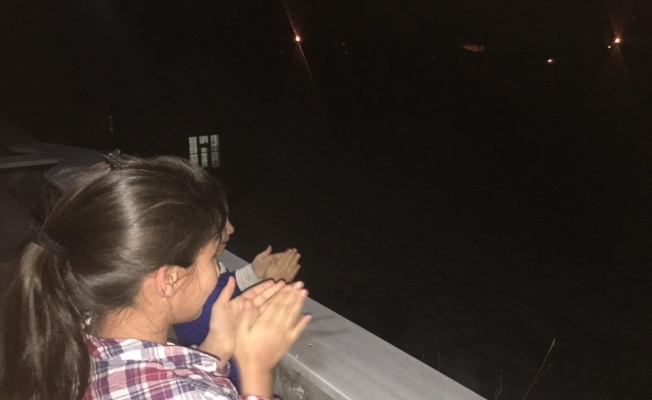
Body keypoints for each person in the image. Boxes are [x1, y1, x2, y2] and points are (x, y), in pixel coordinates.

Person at [0, 153, 311, 400]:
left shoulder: (80, 343)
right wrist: (256, 368)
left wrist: (218, 344)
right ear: (169, 280)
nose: (216, 269)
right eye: (211, 258)